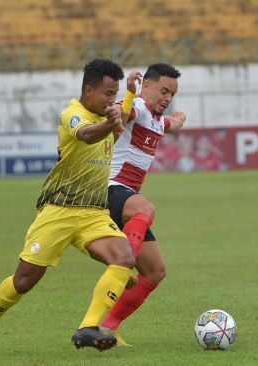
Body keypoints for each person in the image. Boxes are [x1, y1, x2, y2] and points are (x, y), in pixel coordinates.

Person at [0, 58, 137, 357]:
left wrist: (130, 95)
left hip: (94, 213)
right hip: (58, 212)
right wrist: (111, 121)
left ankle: (88, 328)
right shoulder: (73, 114)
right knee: (23, 282)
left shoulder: (105, 117)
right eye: (108, 93)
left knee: (124, 259)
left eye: (115, 93)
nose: (112, 99)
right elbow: (85, 134)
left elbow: (115, 124)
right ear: (89, 90)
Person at [100, 63, 186, 345]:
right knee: (145, 209)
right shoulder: (137, 106)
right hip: (109, 189)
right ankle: (122, 268)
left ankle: (106, 327)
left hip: (126, 198)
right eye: (163, 90)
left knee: (155, 271)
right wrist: (127, 94)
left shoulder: (159, 120)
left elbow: (172, 124)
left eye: (172, 93)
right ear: (145, 85)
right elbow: (122, 114)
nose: (168, 97)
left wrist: (180, 117)